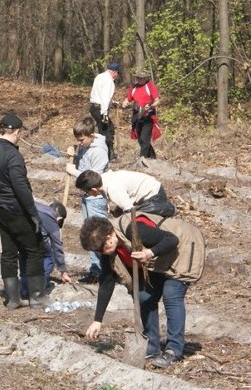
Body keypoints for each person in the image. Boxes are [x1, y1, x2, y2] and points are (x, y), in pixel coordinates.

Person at [80, 213, 199, 368]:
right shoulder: (108, 252)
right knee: (143, 296)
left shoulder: (133, 230)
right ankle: (152, 345)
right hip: (159, 262)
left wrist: (149, 253)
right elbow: (106, 283)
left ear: (109, 235)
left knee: (171, 295)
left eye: (102, 247)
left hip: (183, 249)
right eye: (98, 251)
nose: (102, 252)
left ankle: (173, 350)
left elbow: (172, 240)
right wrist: (97, 320)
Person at [0, 112, 48, 310]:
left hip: (0, 208)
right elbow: (20, 186)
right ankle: (37, 297)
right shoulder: (13, 155)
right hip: (16, 209)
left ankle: (13, 299)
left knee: (9, 253)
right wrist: (33, 213)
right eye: (20, 133)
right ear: (17, 132)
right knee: (35, 249)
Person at [65, 116, 110, 281]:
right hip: (86, 195)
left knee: (97, 233)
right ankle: (96, 269)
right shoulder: (84, 145)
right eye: (77, 139)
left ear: (91, 135)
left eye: (81, 139)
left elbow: (94, 178)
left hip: (95, 197)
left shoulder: (99, 151)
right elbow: (82, 164)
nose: (79, 142)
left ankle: (103, 271)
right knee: (89, 232)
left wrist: (73, 172)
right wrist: (73, 155)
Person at [17, 200, 71, 299]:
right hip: (34, 238)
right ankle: (37, 289)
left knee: (24, 256)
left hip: (19, 233)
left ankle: (24, 290)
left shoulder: (38, 206)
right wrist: (63, 271)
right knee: (49, 257)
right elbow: (57, 247)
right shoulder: (52, 220)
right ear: (59, 218)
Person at [75, 169, 176, 219]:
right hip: (145, 192)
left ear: (93, 189)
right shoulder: (103, 179)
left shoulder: (113, 189)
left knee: (136, 219)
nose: (87, 194)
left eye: (86, 192)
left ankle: (170, 209)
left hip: (153, 195)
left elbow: (129, 211)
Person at [122, 66, 161, 163]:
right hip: (136, 115)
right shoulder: (133, 87)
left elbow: (157, 101)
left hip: (147, 115)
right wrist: (125, 102)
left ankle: (142, 159)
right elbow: (128, 99)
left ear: (145, 78)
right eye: (138, 78)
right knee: (140, 138)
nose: (140, 80)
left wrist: (151, 106)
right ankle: (152, 157)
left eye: (142, 78)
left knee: (144, 137)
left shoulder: (150, 86)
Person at [89, 62, 120, 161]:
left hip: (94, 107)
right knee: (107, 131)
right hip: (101, 109)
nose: (117, 76)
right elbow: (105, 98)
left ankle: (105, 153)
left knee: (105, 130)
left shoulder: (99, 76)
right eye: (117, 73)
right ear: (114, 72)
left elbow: (100, 93)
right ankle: (108, 155)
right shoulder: (109, 81)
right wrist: (104, 113)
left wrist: (113, 102)